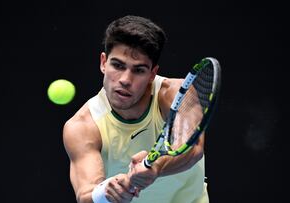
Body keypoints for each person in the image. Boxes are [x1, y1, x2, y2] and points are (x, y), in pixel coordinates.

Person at [63, 15, 209, 203]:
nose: (125, 79)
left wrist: (157, 166)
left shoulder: (176, 95)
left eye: (138, 70)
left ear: (152, 74)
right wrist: (107, 192)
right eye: (117, 65)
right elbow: (85, 193)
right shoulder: (82, 126)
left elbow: (192, 149)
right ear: (103, 63)